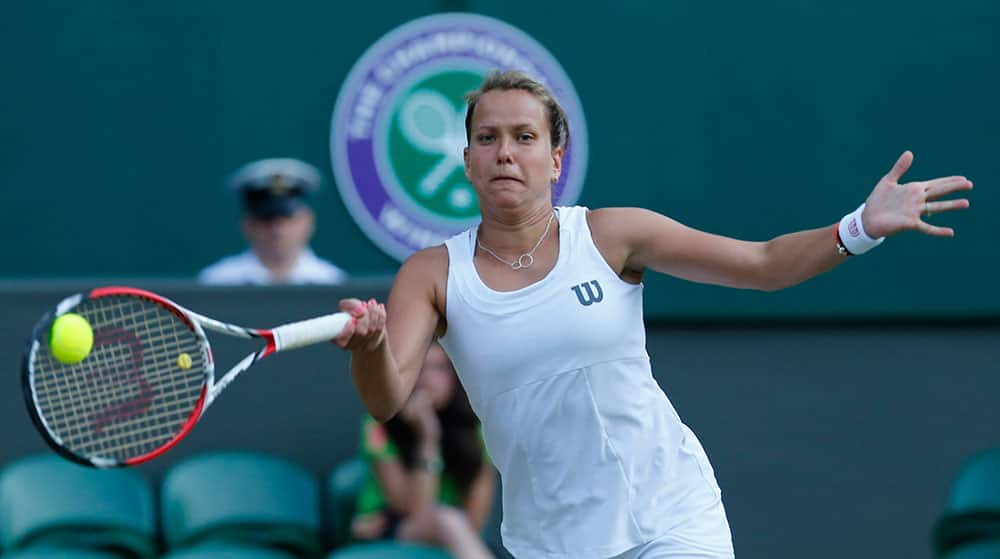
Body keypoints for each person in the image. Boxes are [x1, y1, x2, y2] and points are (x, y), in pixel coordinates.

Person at [332, 70, 973, 558]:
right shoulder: (431, 273)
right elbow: (386, 398)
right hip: (549, 540)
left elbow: (763, 264)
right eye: (487, 138)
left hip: (670, 517)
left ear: (554, 160)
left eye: (524, 137)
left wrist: (861, 227)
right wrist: (369, 348)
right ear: (468, 161)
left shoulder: (614, 234)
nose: (505, 152)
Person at [350, 341, 496, 559]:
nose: (427, 379)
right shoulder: (378, 425)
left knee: (450, 521)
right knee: (447, 520)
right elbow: (413, 511)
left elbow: (475, 520)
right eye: (420, 368)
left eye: (439, 368)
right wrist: (427, 438)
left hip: (456, 531)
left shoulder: (475, 431)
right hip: (391, 527)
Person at [197, 158, 348, 285]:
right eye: (267, 218)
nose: (278, 229)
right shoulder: (219, 282)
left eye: (287, 217)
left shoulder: (331, 282)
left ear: (308, 221)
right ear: (247, 224)